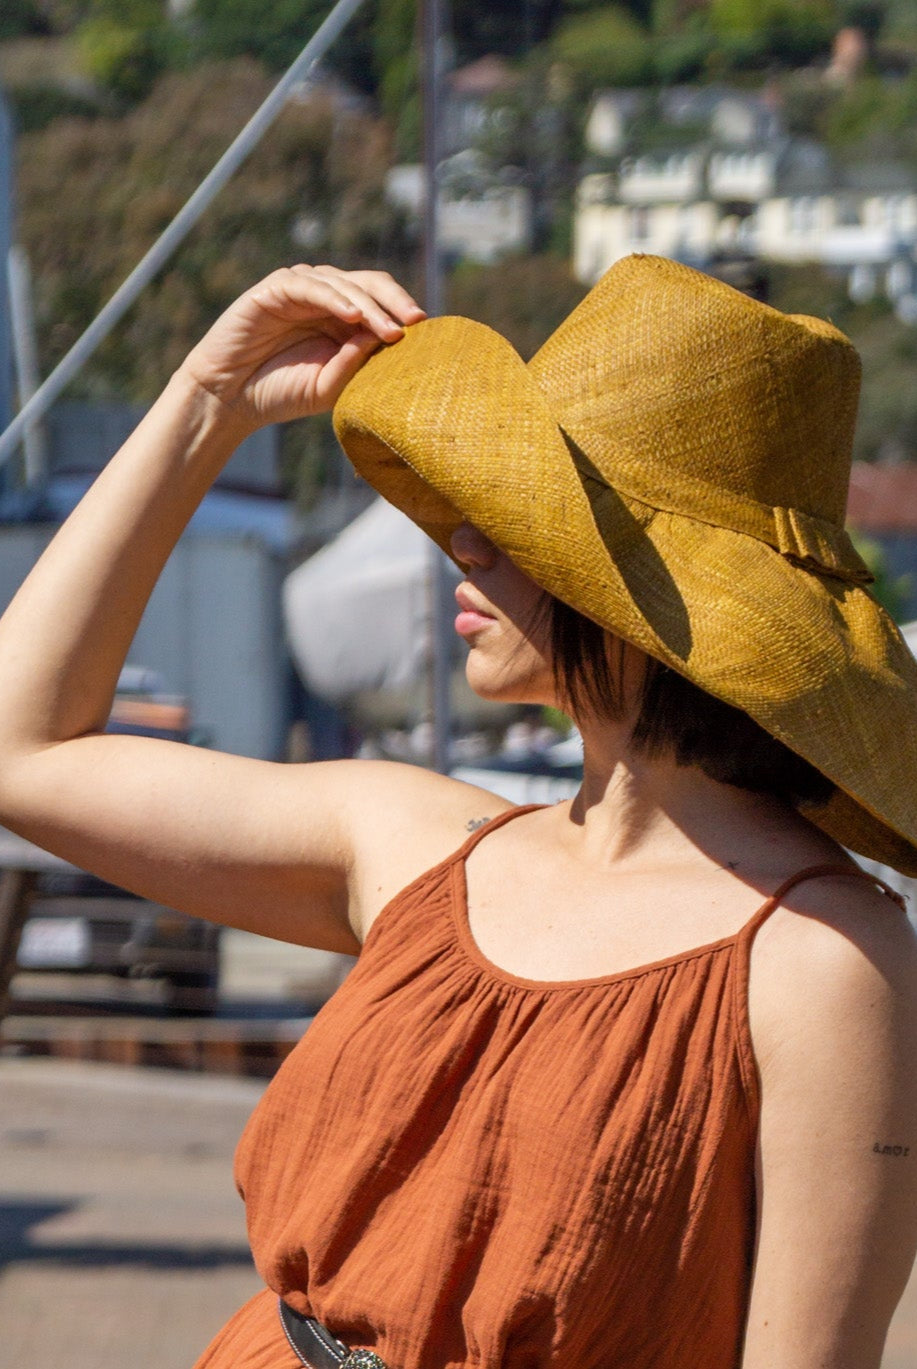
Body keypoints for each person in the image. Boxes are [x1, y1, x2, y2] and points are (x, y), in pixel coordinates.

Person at [0, 255, 915, 1369]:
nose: (465, 539)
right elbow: (26, 747)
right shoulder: (418, 842)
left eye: (528, 519)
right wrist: (209, 400)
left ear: (650, 595)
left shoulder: (823, 959)